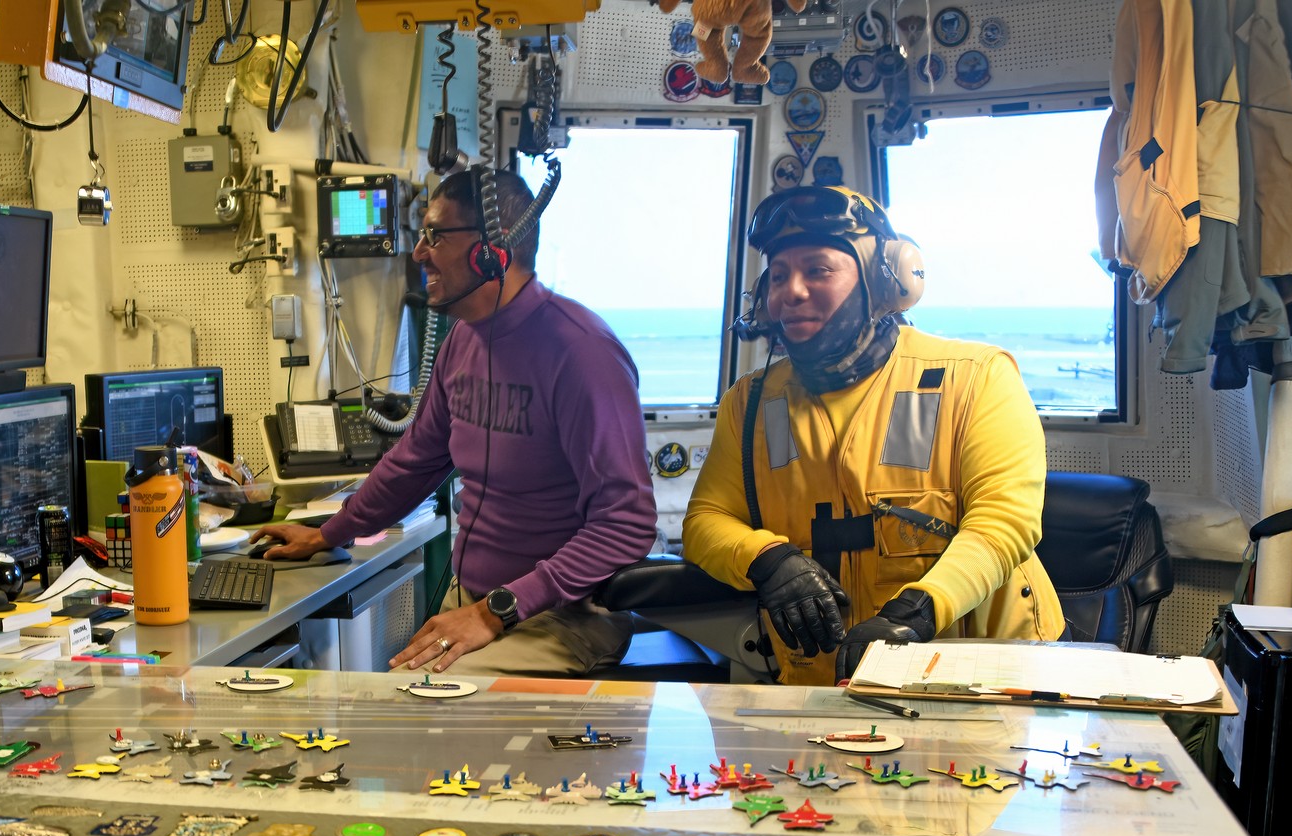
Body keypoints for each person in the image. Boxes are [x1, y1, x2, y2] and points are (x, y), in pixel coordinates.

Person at [251, 168, 656, 677]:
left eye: (436, 236)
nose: (420, 253)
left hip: (560, 617)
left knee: (415, 703)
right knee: (392, 695)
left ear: (493, 250)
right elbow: (415, 461)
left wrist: (496, 611)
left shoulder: (582, 353)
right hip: (479, 606)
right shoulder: (462, 340)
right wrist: (330, 533)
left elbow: (627, 523)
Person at [682, 186, 1064, 685]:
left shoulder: (975, 377)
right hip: (824, 682)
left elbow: (1003, 522)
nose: (791, 291)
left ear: (885, 281)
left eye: (818, 270)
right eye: (778, 275)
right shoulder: (750, 403)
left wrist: (918, 612)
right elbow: (705, 521)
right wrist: (768, 560)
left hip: (984, 674)